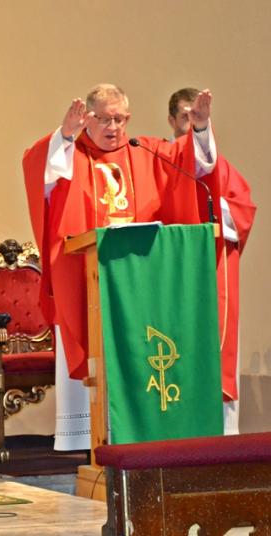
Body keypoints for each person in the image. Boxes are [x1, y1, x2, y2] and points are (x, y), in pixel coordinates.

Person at [22, 83, 217, 450]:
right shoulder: (71, 155)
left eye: (120, 119)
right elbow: (39, 171)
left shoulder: (146, 151)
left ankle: (144, 432)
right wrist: (65, 135)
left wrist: (201, 128)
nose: (114, 128)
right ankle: (93, 439)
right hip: (89, 281)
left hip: (141, 282)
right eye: (104, 119)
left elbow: (193, 164)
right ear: (87, 119)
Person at [168, 88, 256, 433]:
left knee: (215, 348)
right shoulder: (159, 162)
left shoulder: (221, 167)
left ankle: (223, 436)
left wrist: (211, 210)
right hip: (172, 274)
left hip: (213, 267)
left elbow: (243, 210)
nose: (192, 122)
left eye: (199, 116)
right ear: (172, 121)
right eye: (186, 116)